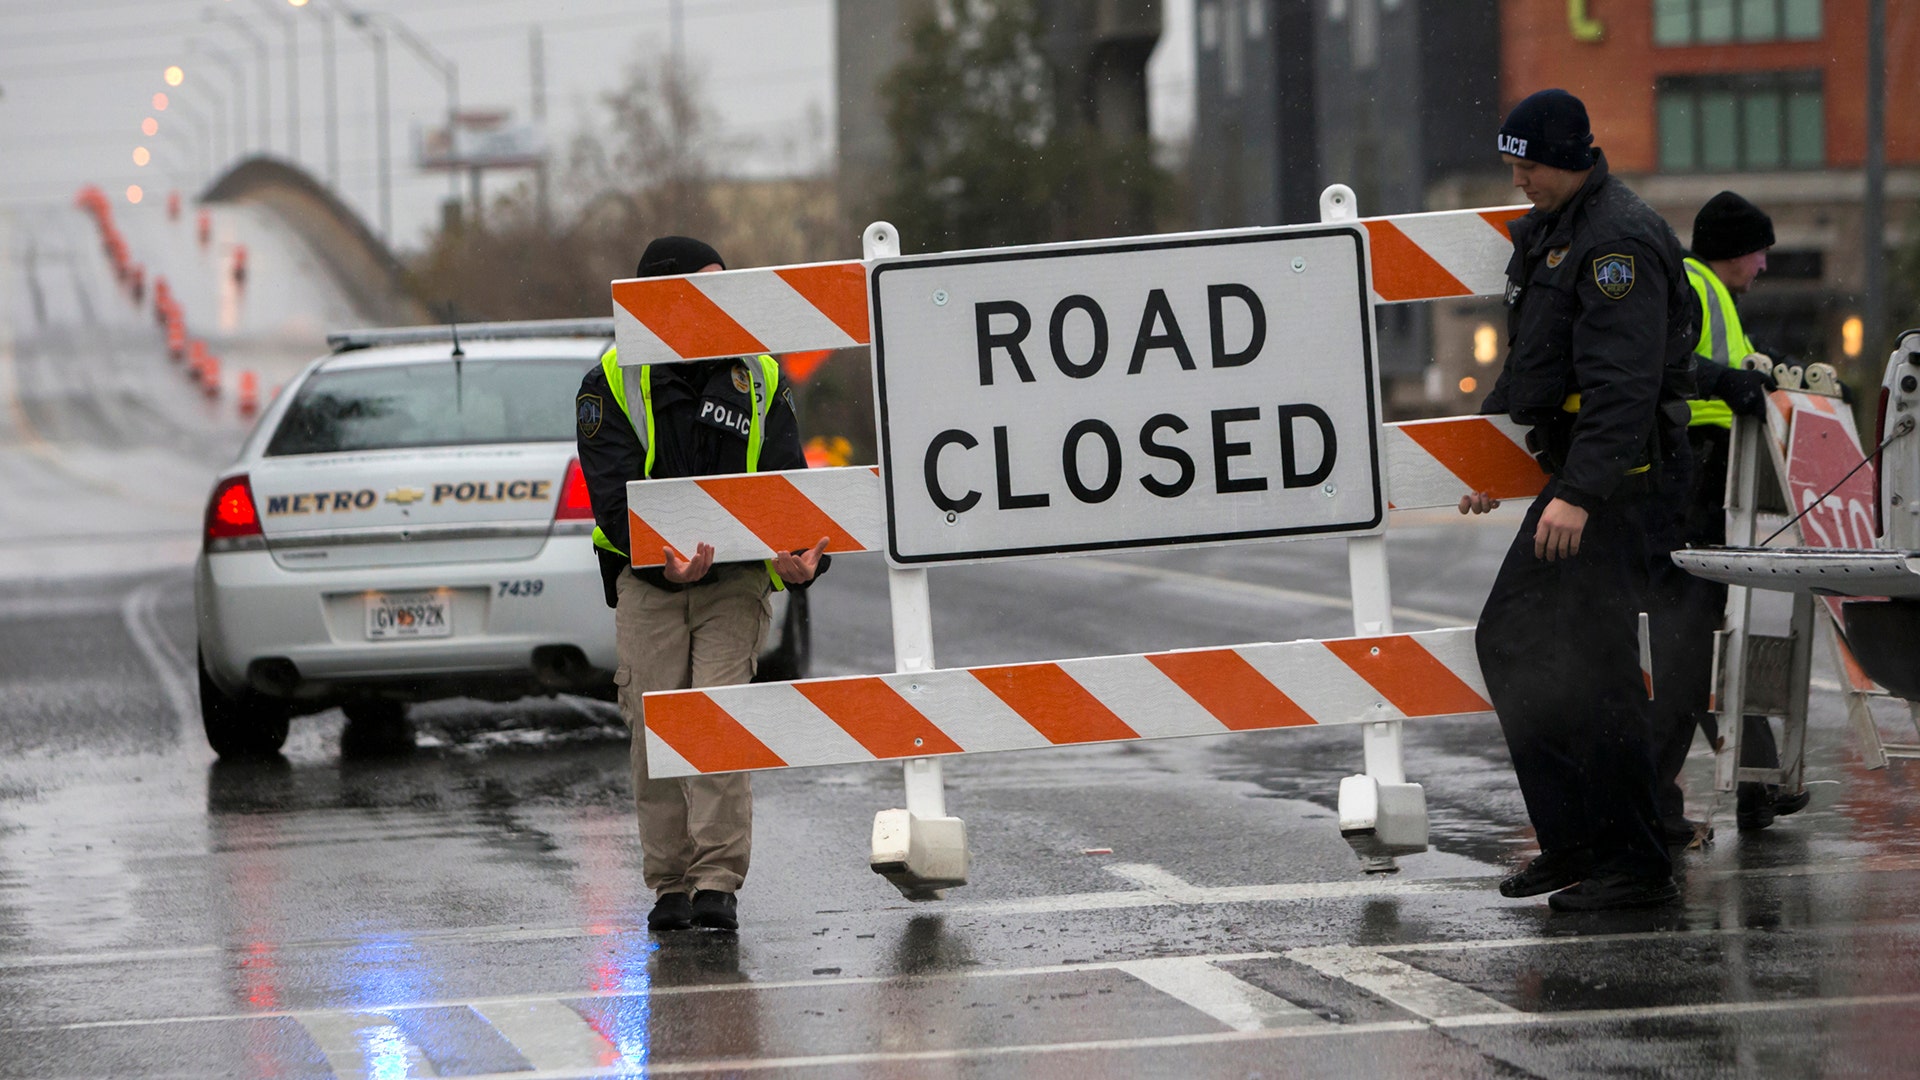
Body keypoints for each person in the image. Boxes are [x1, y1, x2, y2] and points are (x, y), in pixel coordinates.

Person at [1461, 89, 1697, 912]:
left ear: (1568, 156)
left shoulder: (1615, 242)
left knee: (1590, 669)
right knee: (1523, 644)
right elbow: (1537, 363)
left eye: (1526, 162)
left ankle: (1632, 863)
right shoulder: (1561, 232)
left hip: (1614, 489)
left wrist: (1580, 496)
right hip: (1581, 483)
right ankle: (1580, 843)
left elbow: (1625, 389)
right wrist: (1484, 457)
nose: (1517, 176)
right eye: (1512, 162)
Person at [576, 236, 831, 933]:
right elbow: (611, 498)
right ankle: (671, 885)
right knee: (655, 728)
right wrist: (661, 558)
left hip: (734, 584)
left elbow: (789, 491)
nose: (724, 298)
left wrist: (801, 561)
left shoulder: (760, 373)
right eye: (707, 286)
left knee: (717, 720)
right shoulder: (610, 379)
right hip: (648, 581)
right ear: (664, 297)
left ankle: (717, 880)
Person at [1652, 191, 1810, 839]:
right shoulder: (1691, 283)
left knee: (1704, 630)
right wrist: (1728, 384)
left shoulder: (1710, 293)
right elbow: (1673, 360)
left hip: (1707, 469)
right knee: (1693, 634)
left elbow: (1733, 367)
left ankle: (1755, 781)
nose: (1765, 264)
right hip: (1695, 469)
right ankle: (1727, 787)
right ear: (1732, 251)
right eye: (1759, 250)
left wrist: (1778, 381)